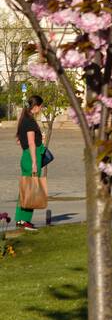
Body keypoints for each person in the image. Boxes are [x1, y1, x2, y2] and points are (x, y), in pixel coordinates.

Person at [15, 94, 46, 231]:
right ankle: (24, 220)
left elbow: (19, 141)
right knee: (31, 189)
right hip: (32, 157)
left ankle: (21, 220)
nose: (42, 108)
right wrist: (34, 162)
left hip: (26, 156)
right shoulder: (29, 121)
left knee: (26, 189)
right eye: (41, 106)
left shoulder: (24, 120)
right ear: (36, 106)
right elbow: (31, 143)